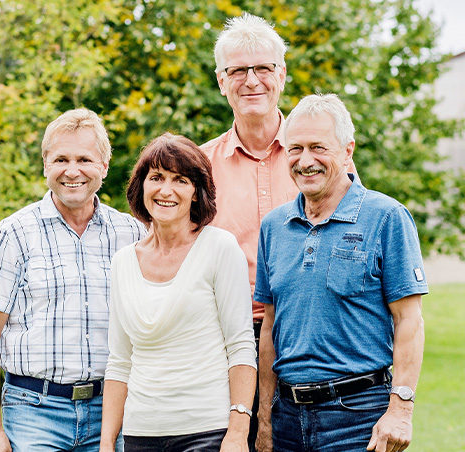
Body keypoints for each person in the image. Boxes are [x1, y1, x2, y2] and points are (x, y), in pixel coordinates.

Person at [201, 14, 351, 448]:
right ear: (221, 80)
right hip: (226, 340)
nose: (252, 80)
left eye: (263, 68)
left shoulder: (324, 156)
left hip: (312, 330)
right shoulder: (200, 166)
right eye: (238, 70)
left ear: (281, 75)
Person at [254, 94, 426, 452]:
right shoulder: (274, 227)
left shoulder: (387, 217)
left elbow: (409, 320)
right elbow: (270, 327)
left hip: (359, 418)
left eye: (319, 147)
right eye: (295, 148)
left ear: (347, 151)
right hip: (286, 418)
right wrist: (266, 422)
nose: (305, 161)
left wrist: (401, 410)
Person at [0, 108, 146, 452]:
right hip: (35, 411)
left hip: (114, 410)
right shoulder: (14, 234)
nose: (72, 171)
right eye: (61, 159)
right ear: (46, 166)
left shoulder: (132, 233)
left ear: (104, 167)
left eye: (85, 159)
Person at [100, 133, 256, 452]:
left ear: (197, 193)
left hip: (207, 432)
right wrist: (105, 444)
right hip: (140, 433)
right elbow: (119, 362)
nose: (166, 190)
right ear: (141, 186)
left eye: (180, 180)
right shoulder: (123, 262)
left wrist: (238, 432)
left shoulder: (219, 248)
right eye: (156, 177)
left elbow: (240, 346)